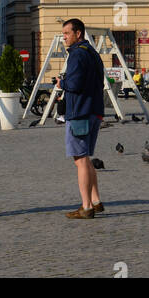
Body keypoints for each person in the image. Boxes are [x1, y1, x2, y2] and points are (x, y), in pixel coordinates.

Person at [60, 18, 105, 219]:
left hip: (79, 111)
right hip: (94, 110)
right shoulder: (93, 53)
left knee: (80, 160)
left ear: (78, 33)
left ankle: (86, 206)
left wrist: (63, 83)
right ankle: (96, 201)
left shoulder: (77, 54)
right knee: (85, 157)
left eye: (66, 34)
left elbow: (75, 84)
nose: (64, 38)